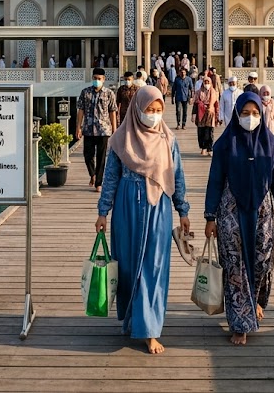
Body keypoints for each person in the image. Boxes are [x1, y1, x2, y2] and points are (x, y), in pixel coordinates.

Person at [95, 86, 189, 355]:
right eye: (149, 110)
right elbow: (110, 178)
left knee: (153, 266)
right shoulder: (120, 140)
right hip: (126, 207)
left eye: (159, 111)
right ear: (137, 109)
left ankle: (149, 329)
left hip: (158, 208)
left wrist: (183, 210)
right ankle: (133, 319)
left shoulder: (168, 140)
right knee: (127, 264)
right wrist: (103, 212)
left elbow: (178, 177)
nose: (154, 115)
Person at [204, 91, 274, 345]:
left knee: (262, 262)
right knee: (235, 265)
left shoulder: (271, 145)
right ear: (236, 114)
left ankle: (255, 302)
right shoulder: (225, 145)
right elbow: (215, 181)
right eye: (245, 113)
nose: (250, 118)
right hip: (231, 212)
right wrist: (210, 216)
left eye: (255, 114)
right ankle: (240, 322)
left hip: (262, 212)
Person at [77, 68, 118, 192]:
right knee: (87, 155)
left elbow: (112, 112)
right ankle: (93, 174)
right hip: (88, 129)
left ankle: (99, 183)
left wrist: (114, 129)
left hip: (103, 130)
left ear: (103, 79)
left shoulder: (109, 93)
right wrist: (78, 127)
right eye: (95, 78)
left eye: (99, 79)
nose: (97, 81)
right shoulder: (85, 92)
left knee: (101, 157)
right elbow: (80, 110)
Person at [193, 73, 219, 156]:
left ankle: (209, 148)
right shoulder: (198, 92)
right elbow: (195, 104)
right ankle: (203, 147)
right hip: (201, 114)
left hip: (210, 114)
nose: (206, 84)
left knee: (209, 132)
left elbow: (216, 105)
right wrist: (193, 115)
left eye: (208, 82)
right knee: (201, 132)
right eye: (205, 82)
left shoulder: (214, 92)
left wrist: (218, 117)